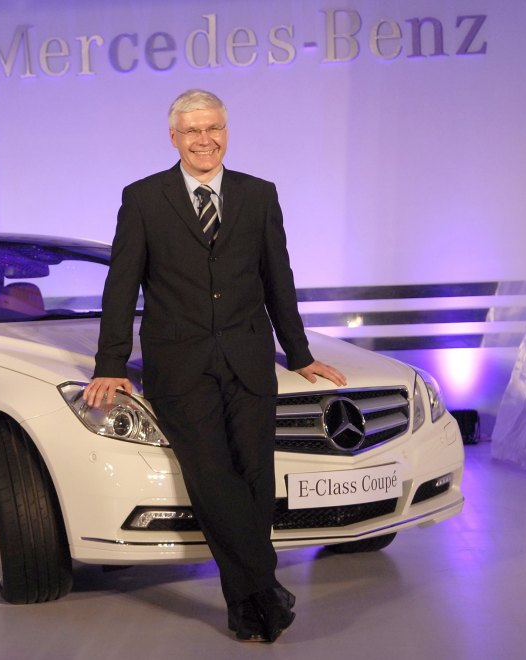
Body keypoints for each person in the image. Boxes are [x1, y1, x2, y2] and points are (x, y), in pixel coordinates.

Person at [83, 89, 346, 643]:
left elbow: (279, 280)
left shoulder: (259, 195)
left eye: (214, 129)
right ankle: (265, 583)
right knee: (212, 477)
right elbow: (120, 286)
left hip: (250, 359)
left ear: (227, 130)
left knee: (255, 478)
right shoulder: (143, 198)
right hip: (179, 363)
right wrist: (109, 362)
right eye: (192, 131)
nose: (205, 140)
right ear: (174, 137)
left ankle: (249, 610)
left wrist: (299, 355)